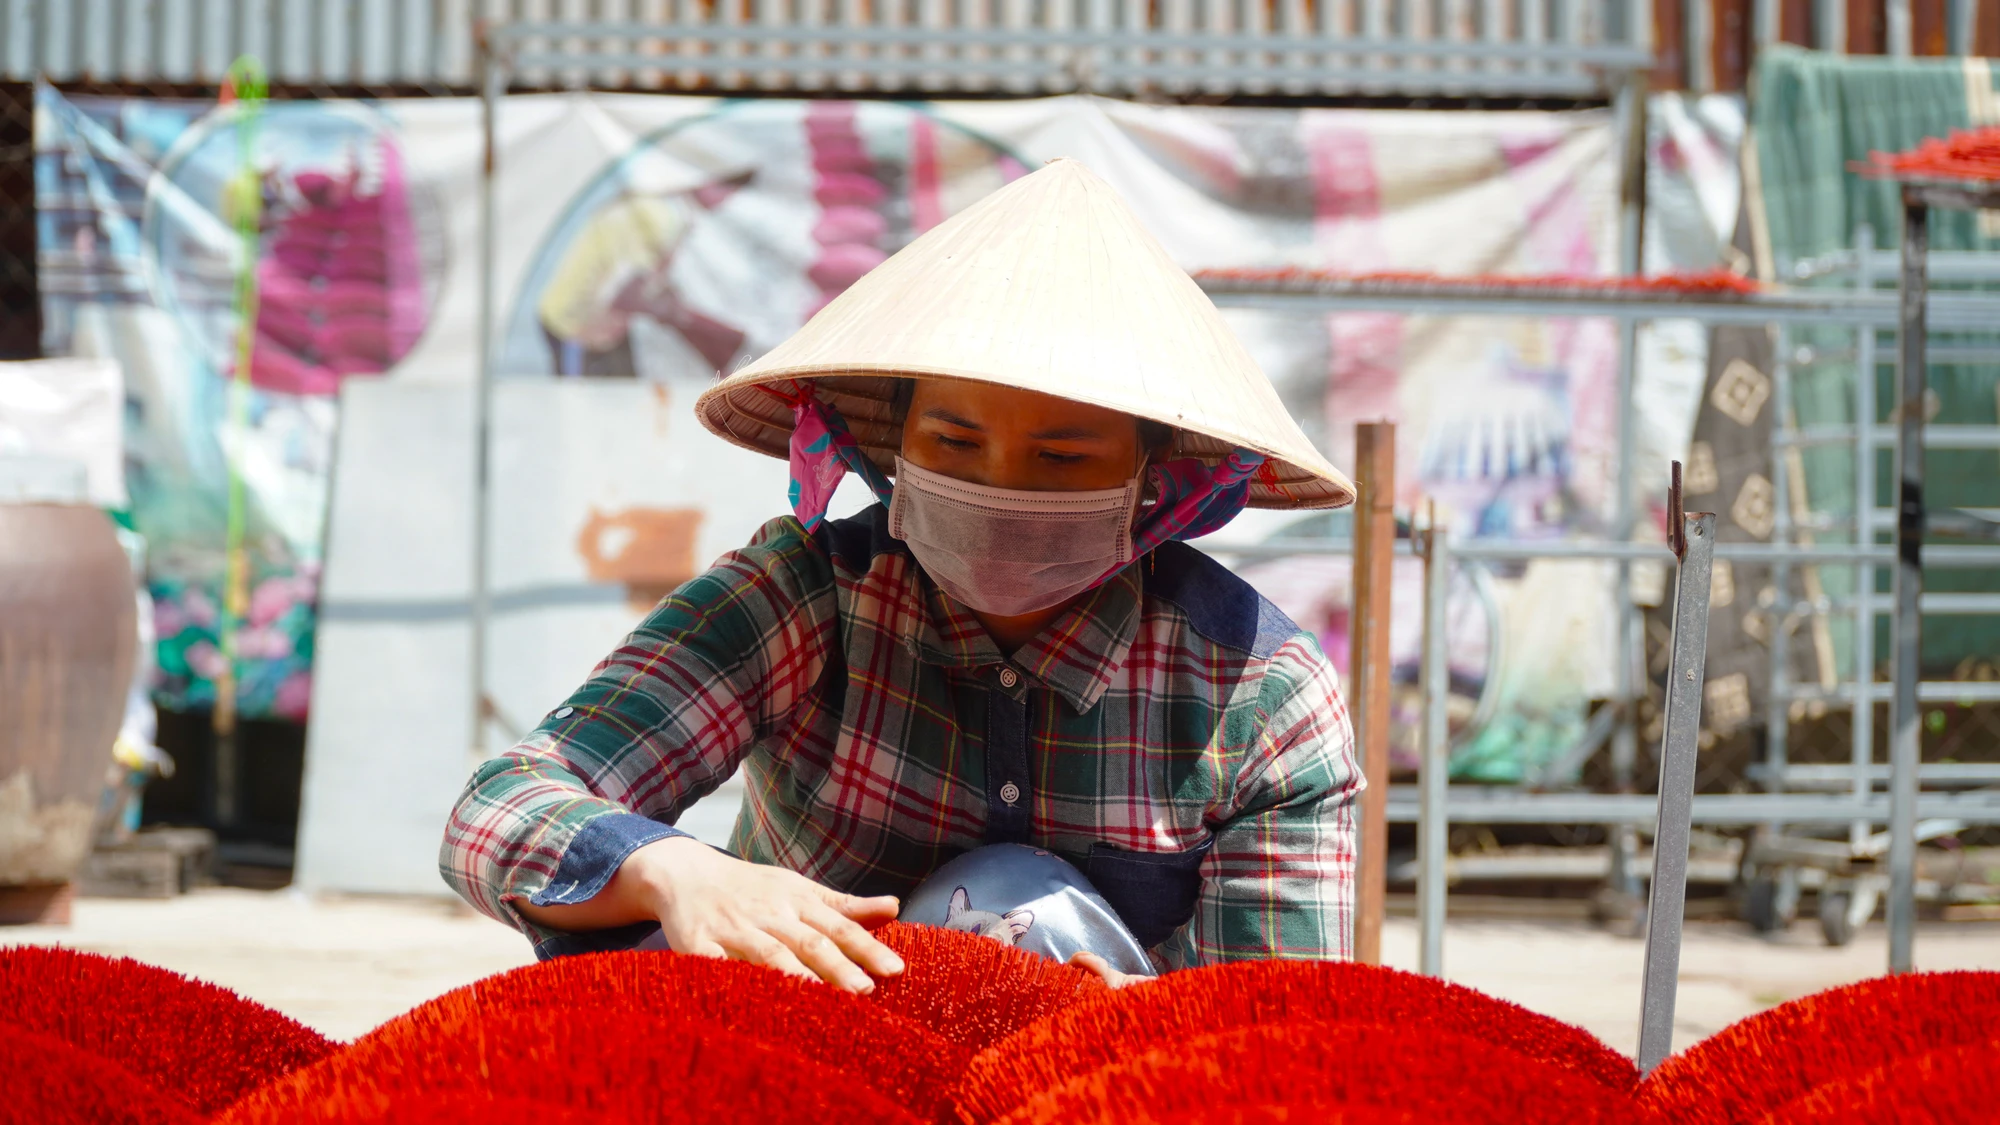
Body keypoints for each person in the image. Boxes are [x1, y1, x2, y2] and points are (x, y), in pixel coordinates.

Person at [441, 158, 1362, 992]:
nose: (1000, 486)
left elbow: (1281, 1015)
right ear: (892, 450)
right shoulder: (802, 596)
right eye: (955, 441)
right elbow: (502, 806)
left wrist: (1137, 1021)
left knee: (1015, 897)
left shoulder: (1260, 695)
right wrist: (681, 870)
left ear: (1151, 486)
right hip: (796, 1058)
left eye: (1062, 457)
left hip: (1097, 1087)